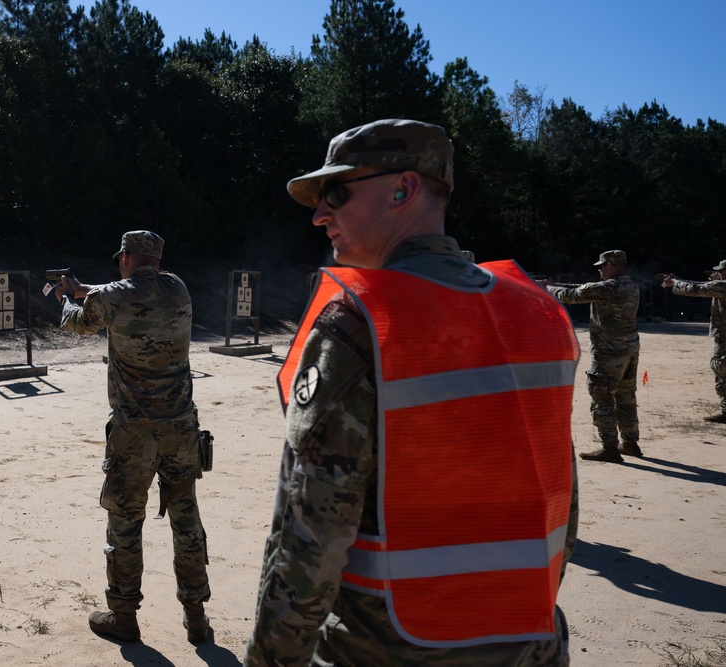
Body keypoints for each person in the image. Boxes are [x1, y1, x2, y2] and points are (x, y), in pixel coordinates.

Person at [244, 119, 580, 666]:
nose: (319, 214)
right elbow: (560, 505)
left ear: (404, 189)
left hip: (389, 649)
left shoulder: (361, 325)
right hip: (531, 646)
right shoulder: (538, 312)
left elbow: (310, 542)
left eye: (336, 192)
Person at [54, 230, 211, 643]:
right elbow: (126, 291)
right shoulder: (176, 288)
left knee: (125, 522)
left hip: (133, 433)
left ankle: (123, 616)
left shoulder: (113, 297)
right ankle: (196, 618)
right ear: (156, 261)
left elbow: (78, 322)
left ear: (124, 257)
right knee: (186, 520)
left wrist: (65, 297)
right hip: (181, 427)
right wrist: (86, 287)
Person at [543, 251, 641, 462]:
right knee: (626, 397)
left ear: (612, 265)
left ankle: (609, 448)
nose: (600, 269)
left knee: (602, 399)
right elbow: (583, 289)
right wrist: (553, 283)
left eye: (602, 265)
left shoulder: (606, 288)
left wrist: (548, 288)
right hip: (629, 351)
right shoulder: (631, 285)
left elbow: (572, 295)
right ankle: (631, 443)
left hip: (608, 353)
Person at [660, 260, 726, 423]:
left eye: (721, 271)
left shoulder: (722, 286)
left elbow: (695, 289)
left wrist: (674, 282)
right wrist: (679, 279)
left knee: (721, 367)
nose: (718, 274)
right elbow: (701, 286)